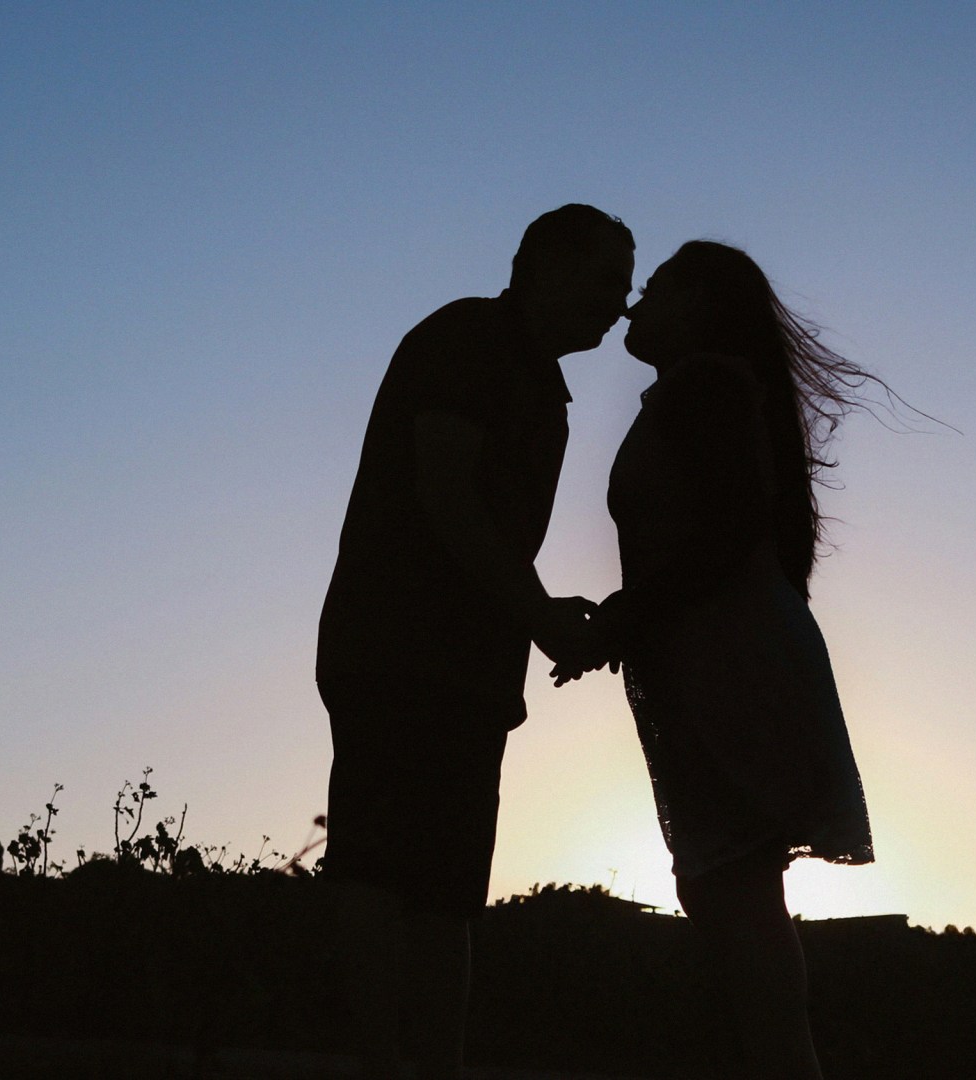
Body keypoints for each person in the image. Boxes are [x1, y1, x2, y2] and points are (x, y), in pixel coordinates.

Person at [316, 204, 635, 1080]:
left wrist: (532, 611)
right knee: (383, 874)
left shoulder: (534, 380)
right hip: (398, 650)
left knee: (446, 895)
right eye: (609, 276)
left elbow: (480, 524)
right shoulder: (471, 341)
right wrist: (539, 616)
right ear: (547, 265)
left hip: (464, 665)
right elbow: (446, 494)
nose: (623, 300)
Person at [556, 240, 880, 1079]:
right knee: (729, 889)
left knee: (732, 889)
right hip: (712, 657)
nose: (633, 302)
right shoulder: (703, 393)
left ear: (697, 302)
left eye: (655, 286)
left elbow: (726, 534)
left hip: (725, 664)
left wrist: (619, 624)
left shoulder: (706, 389)